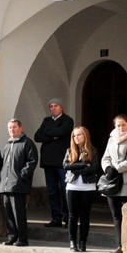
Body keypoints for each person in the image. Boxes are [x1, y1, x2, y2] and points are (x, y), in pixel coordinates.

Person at [100, 115, 127, 253]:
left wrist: (118, 168)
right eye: (118, 125)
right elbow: (106, 157)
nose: (121, 128)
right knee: (116, 215)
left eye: (123, 125)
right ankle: (120, 245)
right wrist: (108, 168)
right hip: (112, 181)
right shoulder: (112, 138)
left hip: (126, 180)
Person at [34, 97, 74, 228]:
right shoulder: (46, 120)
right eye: (51, 106)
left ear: (61, 107)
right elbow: (37, 136)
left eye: (56, 106)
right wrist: (54, 136)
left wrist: (48, 134)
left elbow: (62, 132)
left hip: (62, 161)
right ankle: (56, 218)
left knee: (64, 189)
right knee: (52, 191)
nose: (53, 108)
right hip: (48, 160)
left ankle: (67, 217)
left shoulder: (67, 120)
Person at [0, 119, 38, 247]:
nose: (12, 130)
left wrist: (22, 175)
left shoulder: (27, 143)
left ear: (21, 128)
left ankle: (22, 238)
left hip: (18, 184)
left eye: (14, 127)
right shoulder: (7, 145)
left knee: (18, 213)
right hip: (6, 184)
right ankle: (12, 236)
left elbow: (32, 161)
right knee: (8, 212)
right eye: (10, 128)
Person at [62, 126, 101, 252]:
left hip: (87, 187)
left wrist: (75, 166)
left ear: (85, 136)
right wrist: (83, 165)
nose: (76, 137)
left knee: (85, 216)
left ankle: (83, 241)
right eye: (74, 135)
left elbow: (93, 168)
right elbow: (66, 166)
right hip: (72, 186)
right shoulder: (69, 151)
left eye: (79, 135)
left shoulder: (92, 151)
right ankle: (72, 241)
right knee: (72, 216)